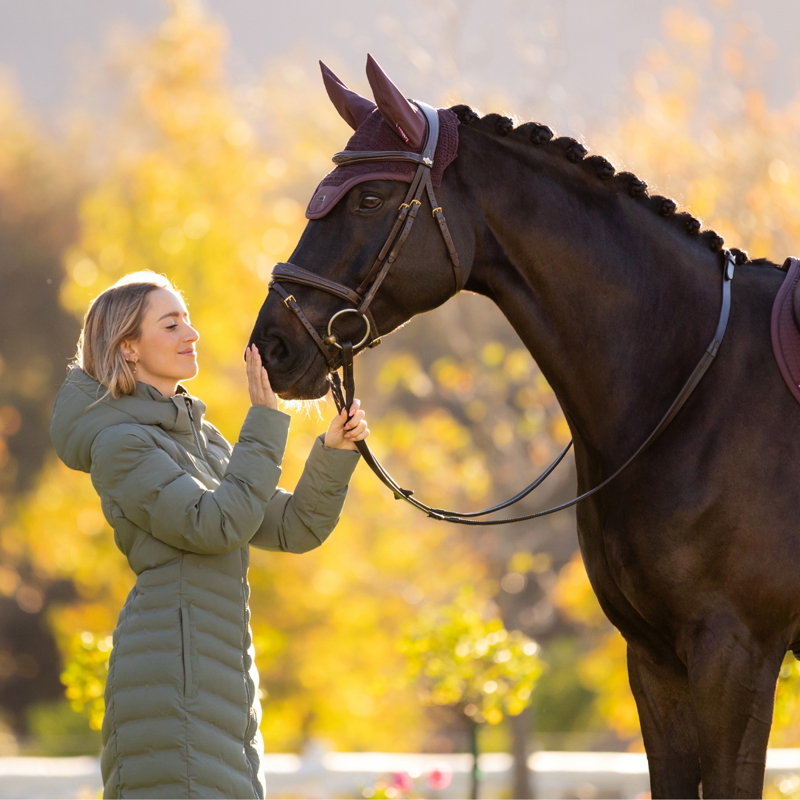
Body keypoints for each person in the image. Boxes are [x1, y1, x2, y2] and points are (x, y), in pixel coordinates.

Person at [49, 270, 368, 799]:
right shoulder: (120, 443)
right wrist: (265, 420)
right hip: (172, 677)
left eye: (189, 320)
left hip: (221, 671)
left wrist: (333, 452)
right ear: (128, 348)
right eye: (171, 324)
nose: (191, 334)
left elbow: (294, 527)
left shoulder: (198, 434)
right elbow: (215, 523)